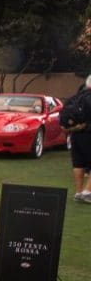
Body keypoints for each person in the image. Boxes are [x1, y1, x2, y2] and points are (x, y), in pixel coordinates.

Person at [63, 74, 91, 203]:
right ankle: (87, 192)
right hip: (88, 133)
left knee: (78, 163)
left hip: (75, 135)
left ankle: (79, 192)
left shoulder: (75, 97)